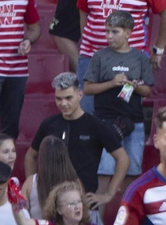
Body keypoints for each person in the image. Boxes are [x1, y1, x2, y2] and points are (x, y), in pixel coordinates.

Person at [28, 73, 129, 204]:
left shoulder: (96, 125)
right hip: (51, 202)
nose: (63, 103)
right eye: (58, 99)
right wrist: (33, 188)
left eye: (68, 98)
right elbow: (30, 156)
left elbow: (123, 159)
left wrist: (108, 194)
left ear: (80, 95)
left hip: (84, 202)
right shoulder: (49, 124)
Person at [84, 10, 153, 193]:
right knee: (104, 172)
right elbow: (87, 88)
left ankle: (127, 218)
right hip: (105, 120)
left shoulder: (139, 57)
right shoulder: (99, 56)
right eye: (107, 31)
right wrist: (112, 83)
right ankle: (98, 220)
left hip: (133, 119)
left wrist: (134, 86)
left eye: (114, 32)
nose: (109, 36)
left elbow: (147, 89)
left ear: (128, 33)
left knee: (133, 173)